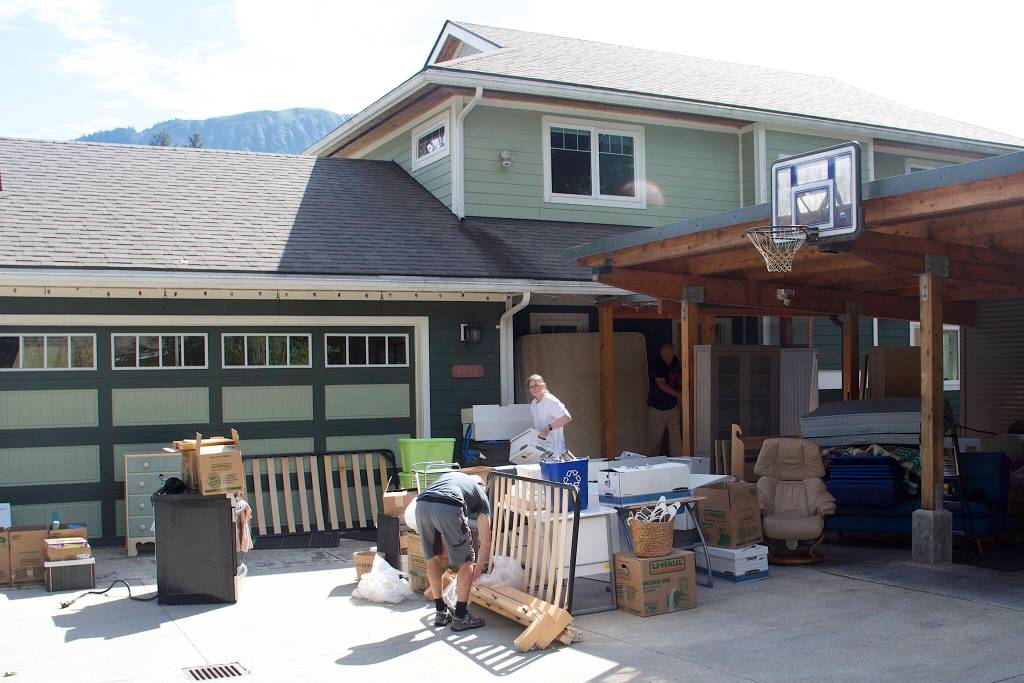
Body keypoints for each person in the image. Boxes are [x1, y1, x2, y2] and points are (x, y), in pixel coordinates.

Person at [415, 471, 492, 631]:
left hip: (421, 504)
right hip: (448, 505)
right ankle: (462, 616)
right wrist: (477, 569)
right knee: (466, 561)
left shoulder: (454, 478)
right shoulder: (481, 496)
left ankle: (440, 611)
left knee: (433, 558)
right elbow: (485, 542)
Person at [647, 342, 683, 455]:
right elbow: (662, 384)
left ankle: (679, 462)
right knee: (655, 439)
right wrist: (679, 395)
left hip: (672, 407)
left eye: (672, 352)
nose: (671, 356)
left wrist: (681, 393)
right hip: (658, 408)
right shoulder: (657, 364)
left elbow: (680, 377)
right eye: (668, 353)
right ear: (662, 352)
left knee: (676, 437)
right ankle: (650, 463)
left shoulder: (675, 361)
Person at [527, 374, 572, 458]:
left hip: (556, 453)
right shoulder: (533, 403)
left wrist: (548, 428)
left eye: (536, 385)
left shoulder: (549, 400)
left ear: (543, 385)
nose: (534, 388)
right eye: (531, 387)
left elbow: (567, 418)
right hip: (541, 453)